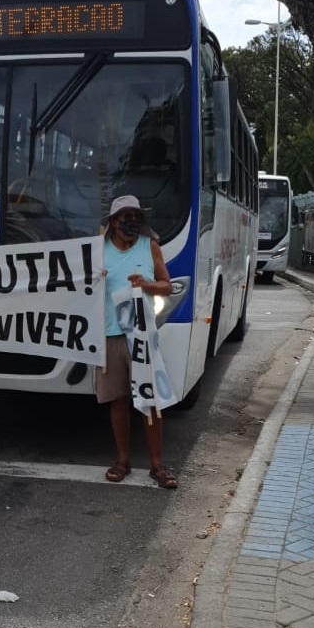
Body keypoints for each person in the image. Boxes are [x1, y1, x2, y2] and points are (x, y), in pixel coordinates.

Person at [97, 195, 178, 488]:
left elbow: (168, 286)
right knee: (118, 400)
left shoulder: (149, 246)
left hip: (142, 335)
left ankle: (158, 466)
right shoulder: (99, 250)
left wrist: (147, 285)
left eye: (135, 216)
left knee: (151, 401)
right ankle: (122, 461)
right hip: (109, 336)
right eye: (124, 217)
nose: (129, 222)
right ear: (113, 222)